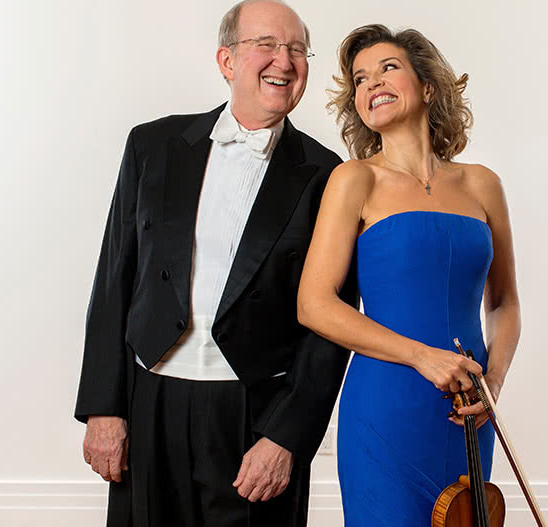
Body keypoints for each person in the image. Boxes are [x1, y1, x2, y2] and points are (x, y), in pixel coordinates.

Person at [74, 1, 357, 526]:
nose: (285, 60)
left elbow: (333, 320)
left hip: (255, 412)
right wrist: (102, 407)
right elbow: (115, 278)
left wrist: (287, 436)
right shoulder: (152, 144)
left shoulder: (326, 173)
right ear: (227, 61)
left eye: (297, 49)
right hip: (149, 399)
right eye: (267, 45)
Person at [297, 24, 521, 525]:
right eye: (359, 79)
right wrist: (421, 356)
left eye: (388, 68)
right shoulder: (354, 179)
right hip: (386, 406)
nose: (370, 83)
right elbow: (314, 303)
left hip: (470, 412)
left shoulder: (482, 184)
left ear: (428, 86)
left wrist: (495, 386)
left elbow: (504, 302)